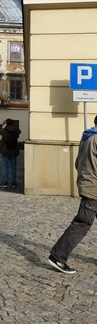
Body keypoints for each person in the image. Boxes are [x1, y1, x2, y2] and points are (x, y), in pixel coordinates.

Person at [48, 116, 97, 274]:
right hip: (94, 188)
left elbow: (78, 163)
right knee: (82, 222)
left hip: (87, 183)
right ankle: (58, 256)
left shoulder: (87, 137)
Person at [0, 118, 21, 188]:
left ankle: (5, 182)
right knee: (13, 167)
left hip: (5, 150)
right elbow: (19, 131)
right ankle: (13, 183)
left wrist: (2, 124)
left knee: (5, 166)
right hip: (14, 150)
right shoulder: (16, 130)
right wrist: (14, 125)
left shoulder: (4, 131)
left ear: (6, 123)